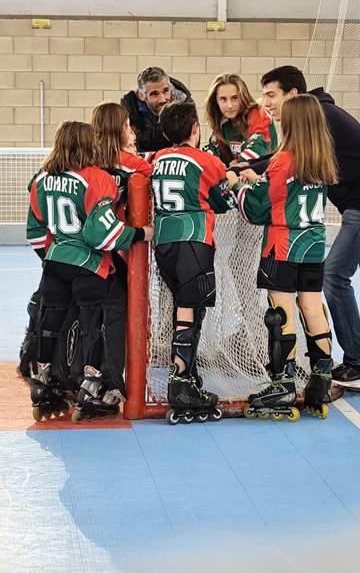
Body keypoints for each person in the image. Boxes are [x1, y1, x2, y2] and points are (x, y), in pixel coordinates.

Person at [260, 65, 360, 396]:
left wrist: (244, 170)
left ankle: (356, 364)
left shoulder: (318, 115)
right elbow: (284, 158)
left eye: (272, 95)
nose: (266, 103)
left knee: (335, 275)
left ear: (293, 95)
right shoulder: (319, 113)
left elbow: (287, 160)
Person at [26, 121, 153, 422]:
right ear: (88, 144)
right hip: (89, 265)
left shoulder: (41, 178)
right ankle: (91, 389)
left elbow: (35, 231)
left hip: (55, 263)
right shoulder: (97, 177)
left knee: (49, 325)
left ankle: (42, 385)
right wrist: (140, 233)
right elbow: (101, 234)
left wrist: (56, 256)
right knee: (92, 327)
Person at [227, 94, 337, 420]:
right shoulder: (321, 160)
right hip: (313, 245)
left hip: (282, 245)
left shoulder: (283, 160)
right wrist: (260, 180)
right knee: (312, 307)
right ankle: (320, 382)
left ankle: (282, 383)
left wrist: (237, 185)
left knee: (280, 313)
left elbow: (258, 208)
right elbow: (286, 192)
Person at [151, 101, 236, 424]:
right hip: (194, 239)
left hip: (164, 242)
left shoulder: (157, 158)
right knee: (190, 309)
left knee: (184, 308)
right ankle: (181, 381)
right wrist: (233, 179)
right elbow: (223, 201)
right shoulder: (206, 160)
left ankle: (188, 374)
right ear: (195, 129)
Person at [204, 73, 278, 166]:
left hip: (265, 172)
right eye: (223, 99)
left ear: (243, 97)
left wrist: (236, 165)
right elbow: (212, 151)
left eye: (234, 98)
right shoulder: (223, 123)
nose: (229, 105)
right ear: (216, 102)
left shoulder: (259, 113)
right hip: (237, 173)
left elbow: (259, 147)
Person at [121, 66, 192, 153]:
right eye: (154, 94)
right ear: (141, 95)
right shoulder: (129, 113)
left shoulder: (185, 107)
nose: (162, 99)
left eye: (166, 91)